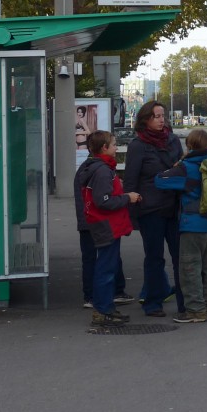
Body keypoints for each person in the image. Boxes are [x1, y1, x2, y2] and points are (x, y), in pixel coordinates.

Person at [123, 101, 186, 318]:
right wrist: (132, 216)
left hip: (175, 207)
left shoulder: (173, 140)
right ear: (145, 120)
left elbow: (183, 167)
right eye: (157, 116)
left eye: (163, 115)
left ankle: (184, 303)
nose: (161, 120)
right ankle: (153, 302)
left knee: (180, 256)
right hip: (150, 209)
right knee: (154, 257)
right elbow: (130, 180)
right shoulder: (138, 145)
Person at [155, 128, 207, 324]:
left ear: (189, 145)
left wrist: (177, 163)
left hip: (192, 224)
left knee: (190, 268)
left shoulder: (188, 166)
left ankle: (195, 311)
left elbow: (160, 181)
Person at [75, 131, 141, 326]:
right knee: (106, 268)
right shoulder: (103, 171)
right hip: (107, 225)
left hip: (102, 224)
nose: (116, 147)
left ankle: (104, 308)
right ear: (104, 148)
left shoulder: (94, 168)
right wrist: (127, 198)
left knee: (105, 266)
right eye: (113, 144)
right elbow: (103, 201)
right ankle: (103, 309)